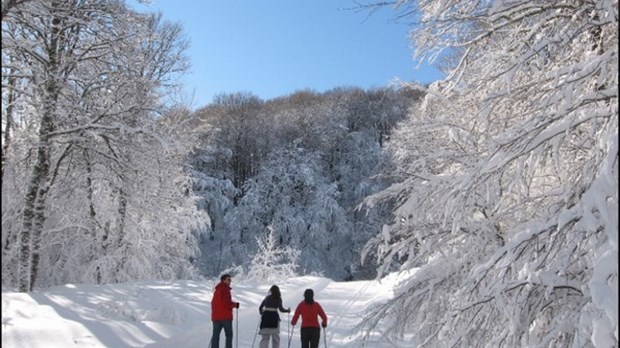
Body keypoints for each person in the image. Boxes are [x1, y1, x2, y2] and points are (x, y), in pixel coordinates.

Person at [210, 274, 240, 348]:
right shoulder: (225, 289)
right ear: (223, 280)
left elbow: (213, 303)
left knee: (215, 336)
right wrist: (235, 305)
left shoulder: (217, 290)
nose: (230, 281)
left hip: (216, 317)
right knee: (229, 335)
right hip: (225, 317)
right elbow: (226, 302)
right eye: (228, 279)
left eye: (230, 280)